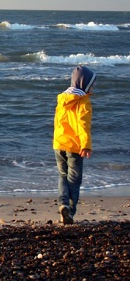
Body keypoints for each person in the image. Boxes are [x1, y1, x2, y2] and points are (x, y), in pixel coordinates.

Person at [53, 66, 96, 225]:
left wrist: (57, 141)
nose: (93, 87)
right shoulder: (83, 101)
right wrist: (86, 145)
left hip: (59, 144)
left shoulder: (62, 99)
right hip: (75, 147)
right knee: (74, 180)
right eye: (92, 84)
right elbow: (83, 125)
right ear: (84, 83)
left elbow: (58, 123)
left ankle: (63, 203)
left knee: (62, 176)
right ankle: (70, 211)